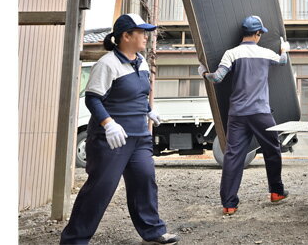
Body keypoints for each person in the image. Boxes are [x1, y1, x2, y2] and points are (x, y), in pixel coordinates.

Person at [60, 13, 179, 245]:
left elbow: (139, 92)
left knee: (144, 180)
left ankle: (153, 231)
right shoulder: (107, 64)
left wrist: (148, 110)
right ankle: (74, 239)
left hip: (139, 136)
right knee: (101, 188)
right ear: (126, 36)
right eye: (141, 33)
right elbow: (93, 99)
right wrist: (109, 124)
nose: (146, 37)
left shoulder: (141, 61)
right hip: (111, 139)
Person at [198, 15, 291, 216]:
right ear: (258, 34)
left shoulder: (231, 53)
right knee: (272, 150)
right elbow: (283, 61)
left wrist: (203, 72)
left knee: (233, 156)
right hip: (261, 113)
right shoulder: (266, 54)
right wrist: (285, 48)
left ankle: (229, 204)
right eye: (260, 34)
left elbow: (218, 78)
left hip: (238, 114)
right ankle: (276, 192)